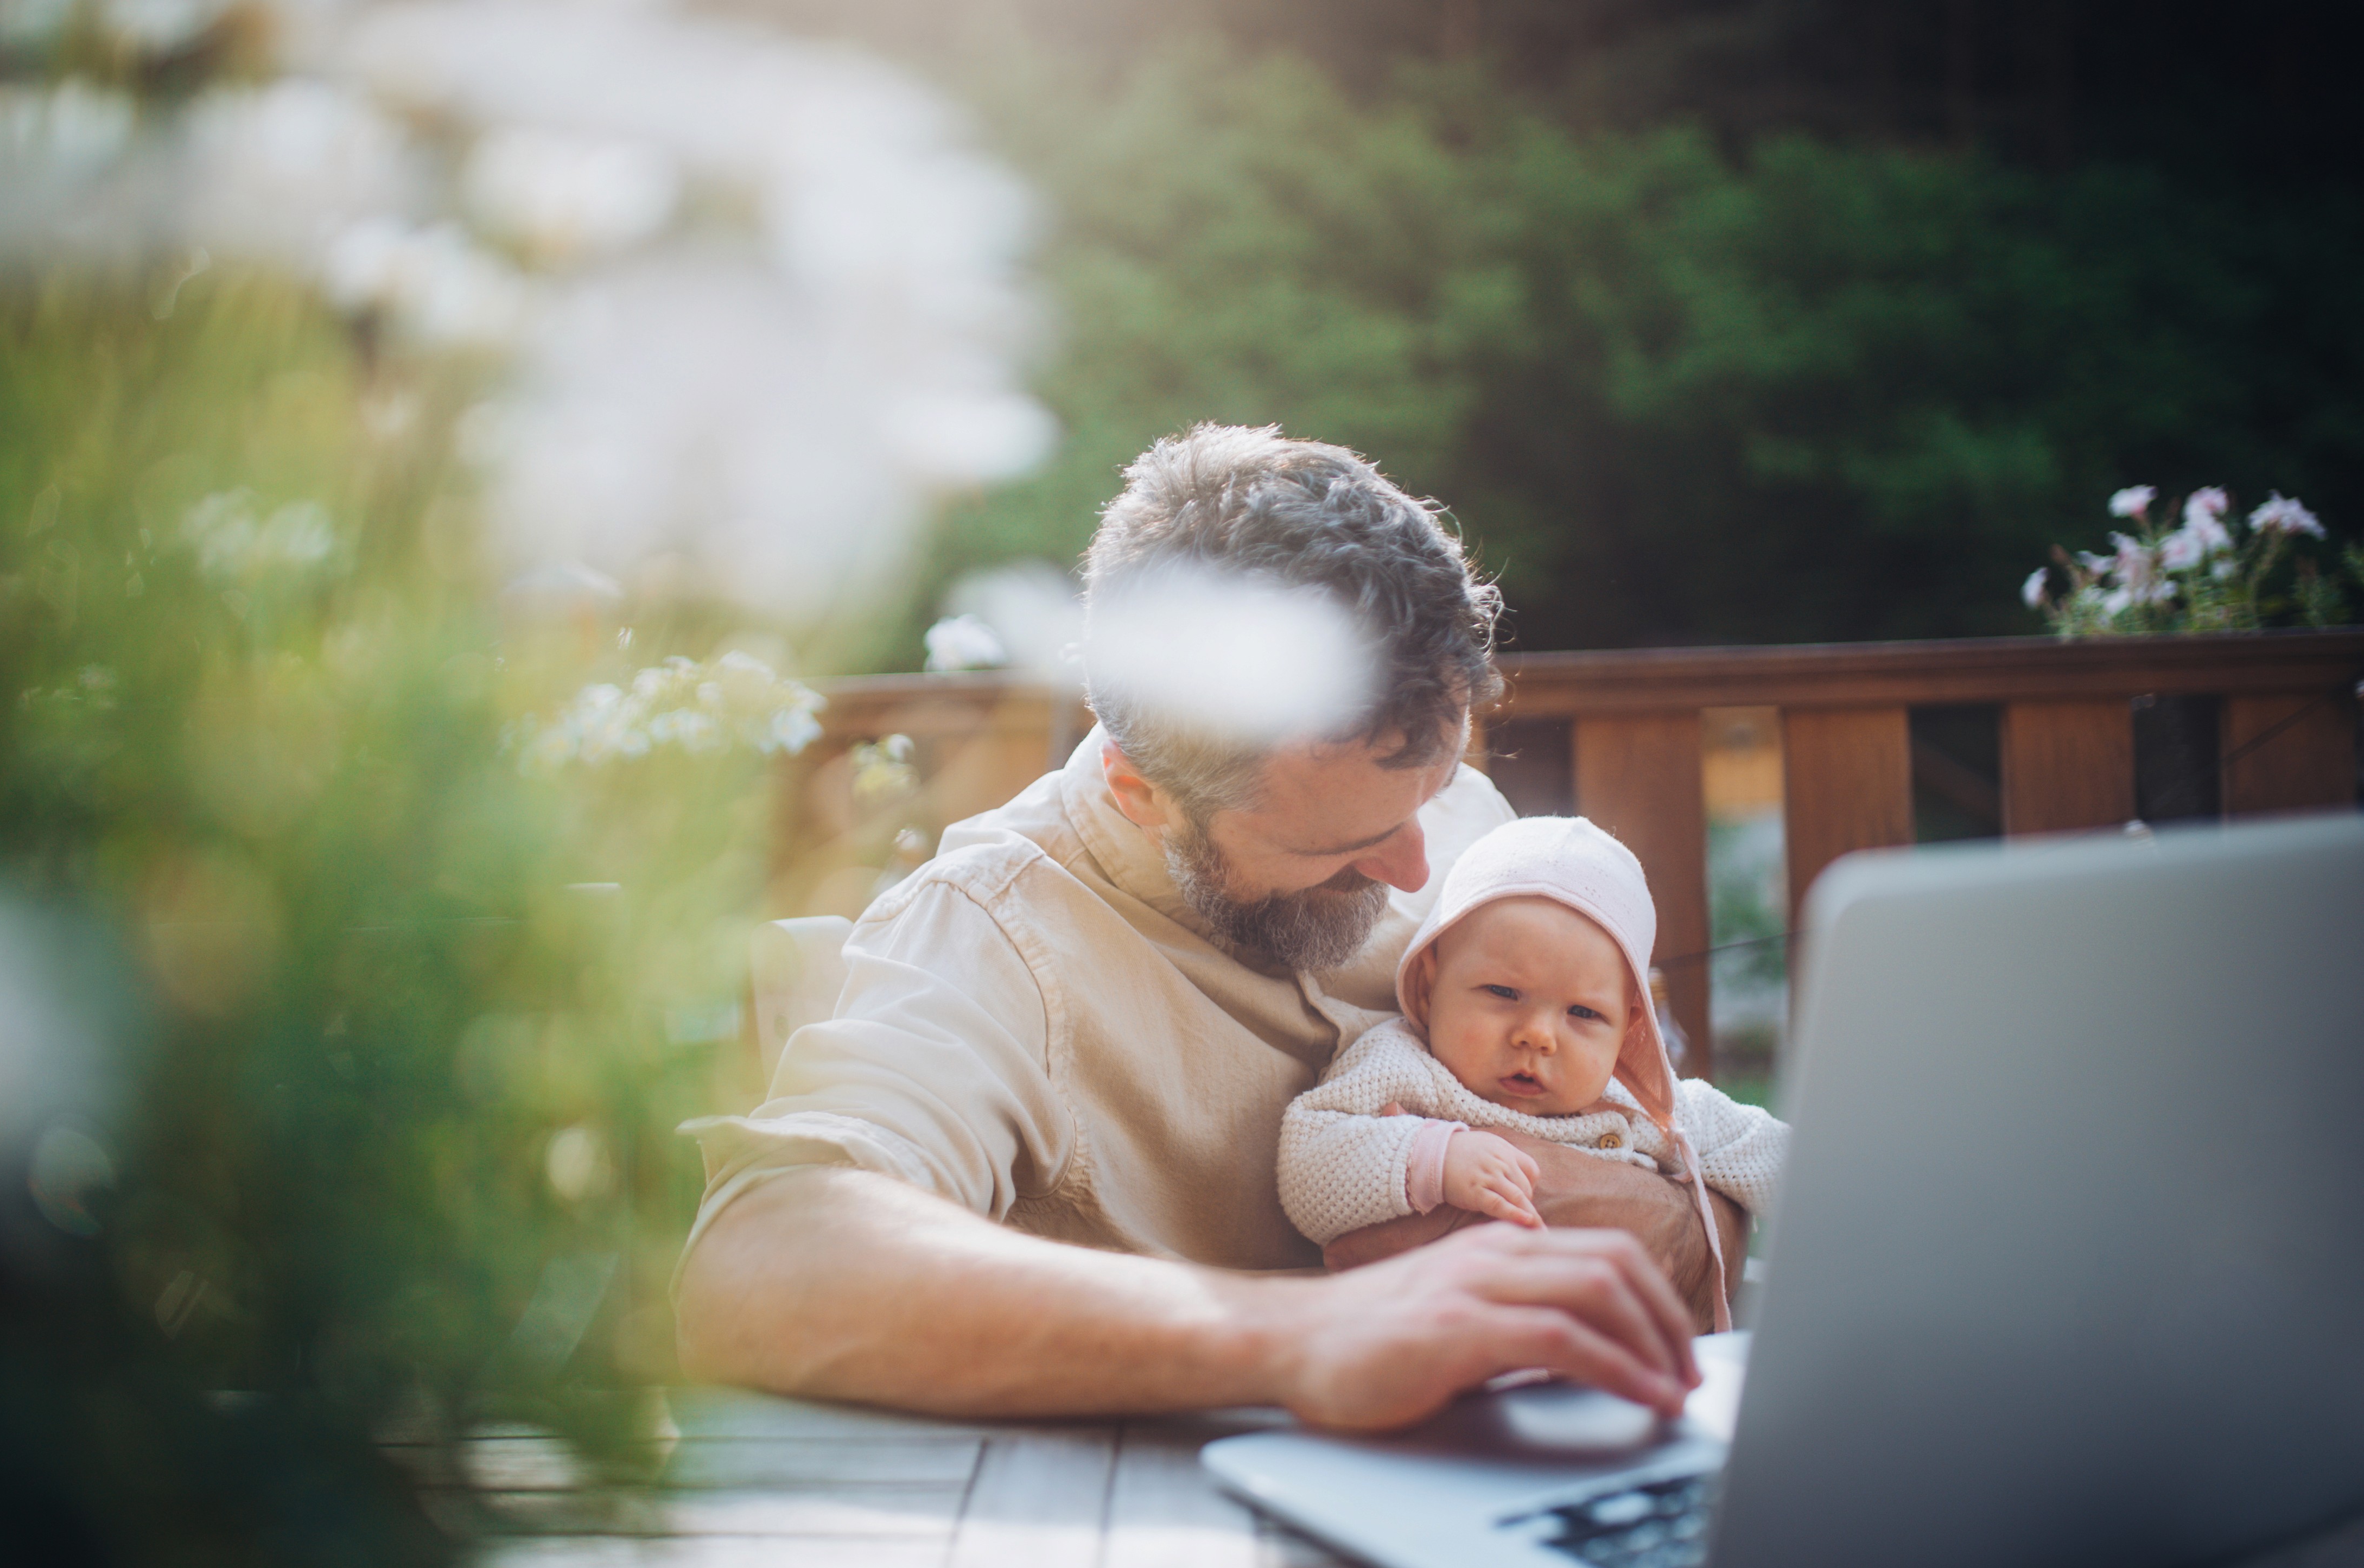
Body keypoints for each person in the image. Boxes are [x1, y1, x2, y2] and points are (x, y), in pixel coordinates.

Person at [673, 424, 1743, 1431]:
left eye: (1431, 792)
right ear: (1141, 791)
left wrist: (1679, 1235)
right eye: (1340, 850)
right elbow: (760, 1266)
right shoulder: (996, 931)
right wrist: (1299, 1335)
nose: (1423, 864)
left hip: (1529, 1466)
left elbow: (1678, 1134)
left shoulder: (1460, 828)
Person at [1278, 815, 1788, 1331]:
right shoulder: (1405, 1067)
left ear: (1629, 1027)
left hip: (1610, 1366)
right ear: (1431, 988)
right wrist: (1434, 1157)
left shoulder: (1652, 1106)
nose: (1538, 1036)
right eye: (1503, 993)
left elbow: (1776, 1158)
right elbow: (1306, 1168)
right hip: (1440, 1354)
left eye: (1584, 1014)